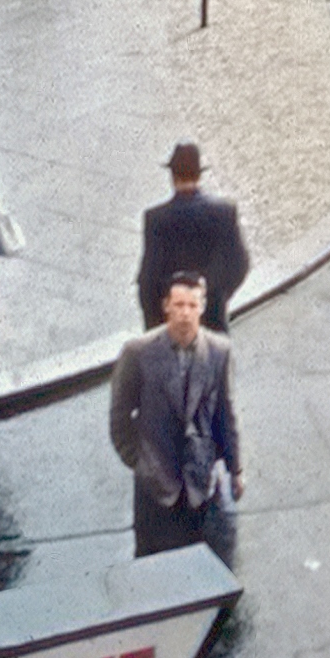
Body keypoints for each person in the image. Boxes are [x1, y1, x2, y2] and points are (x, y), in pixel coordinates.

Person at [110, 272, 243, 558]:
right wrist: (139, 461)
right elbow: (119, 417)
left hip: (201, 483)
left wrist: (235, 468)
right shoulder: (138, 353)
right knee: (153, 566)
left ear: (203, 307)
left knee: (207, 564)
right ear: (166, 306)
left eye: (192, 306)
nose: (185, 314)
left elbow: (226, 414)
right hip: (156, 486)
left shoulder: (219, 352)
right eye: (179, 305)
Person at [138, 142, 249, 334]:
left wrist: (156, 325)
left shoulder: (156, 219)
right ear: (199, 175)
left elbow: (148, 280)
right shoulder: (224, 212)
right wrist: (216, 296)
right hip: (212, 318)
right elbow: (239, 265)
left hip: (171, 325)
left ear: (173, 177)